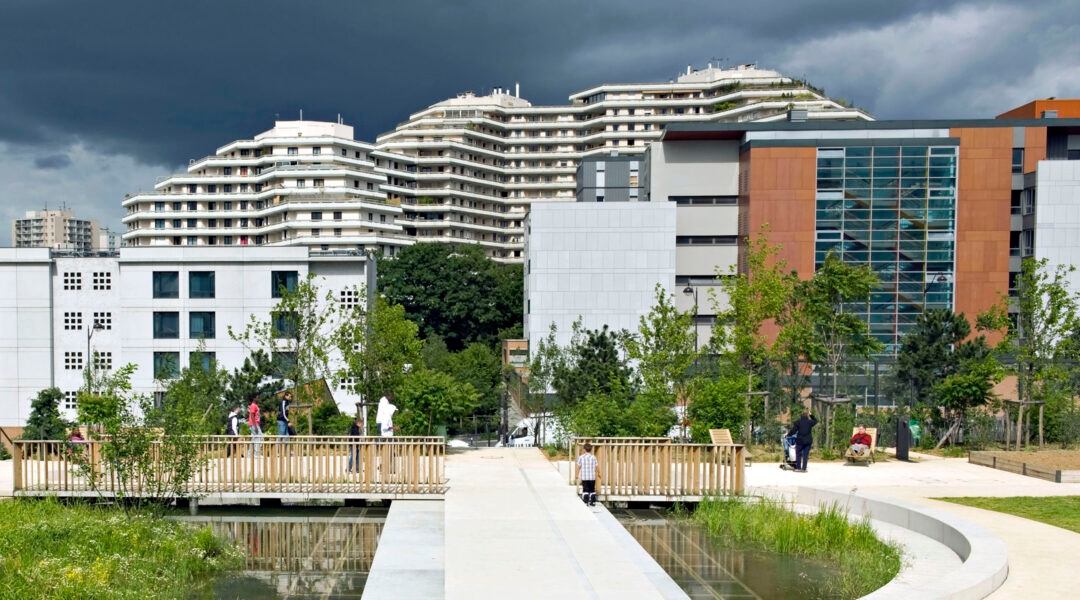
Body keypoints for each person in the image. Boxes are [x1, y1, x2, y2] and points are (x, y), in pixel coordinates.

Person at [787, 408, 818, 473]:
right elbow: (816, 421)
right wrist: (811, 415)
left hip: (800, 440)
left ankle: (798, 468)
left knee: (798, 454)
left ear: (802, 414)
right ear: (807, 414)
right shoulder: (810, 422)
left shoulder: (798, 422)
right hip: (808, 440)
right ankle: (804, 468)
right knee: (805, 455)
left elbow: (793, 430)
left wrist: (788, 435)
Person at [576, 442, 599, 506]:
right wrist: (599, 473)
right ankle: (593, 501)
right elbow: (597, 466)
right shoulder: (593, 457)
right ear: (591, 449)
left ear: (584, 449)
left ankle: (586, 501)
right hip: (592, 477)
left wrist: (576, 474)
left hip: (584, 477)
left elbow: (578, 467)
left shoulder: (581, 457)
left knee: (585, 489)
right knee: (592, 489)